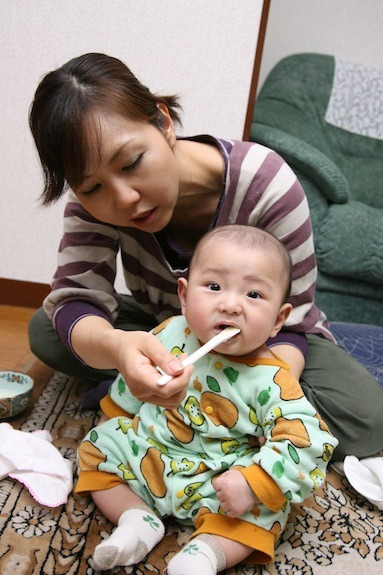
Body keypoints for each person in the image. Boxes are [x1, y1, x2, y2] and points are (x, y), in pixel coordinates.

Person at [28, 52, 382, 460]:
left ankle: (166, 398)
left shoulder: (268, 186)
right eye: (91, 188)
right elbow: (76, 299)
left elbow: (290, 324)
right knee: (49, 330)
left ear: (163, 123)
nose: (123, 198)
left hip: (262, 343)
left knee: (368, 420)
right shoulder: (93, 205)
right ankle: (152, 383)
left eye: (131, 162)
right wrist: (121, 350)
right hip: (173, 328)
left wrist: (261, 400)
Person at [75, 225, 339, 573]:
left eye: (254, 295)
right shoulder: (168, 334)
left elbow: (310, 441)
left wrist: (251, 482)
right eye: (214, 287)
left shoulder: (273, 379)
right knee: (95, 447)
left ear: (278, 320)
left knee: (270, 507)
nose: (230, 304)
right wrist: (115, 421)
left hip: (221, 482)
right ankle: (136, 519)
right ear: (184, 296)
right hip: (152, 454)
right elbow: (133, 383)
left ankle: (204, 555)